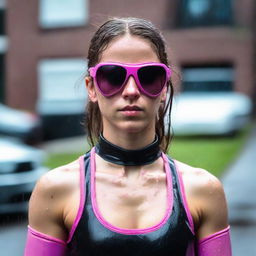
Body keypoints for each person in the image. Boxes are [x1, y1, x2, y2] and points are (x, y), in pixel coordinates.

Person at [24, 17, 232, 256]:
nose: (132, 91)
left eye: (148, 77)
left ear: (164, 87)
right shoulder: (56, 190)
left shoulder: (203, 190)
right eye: (113, 76)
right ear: (91, 87)